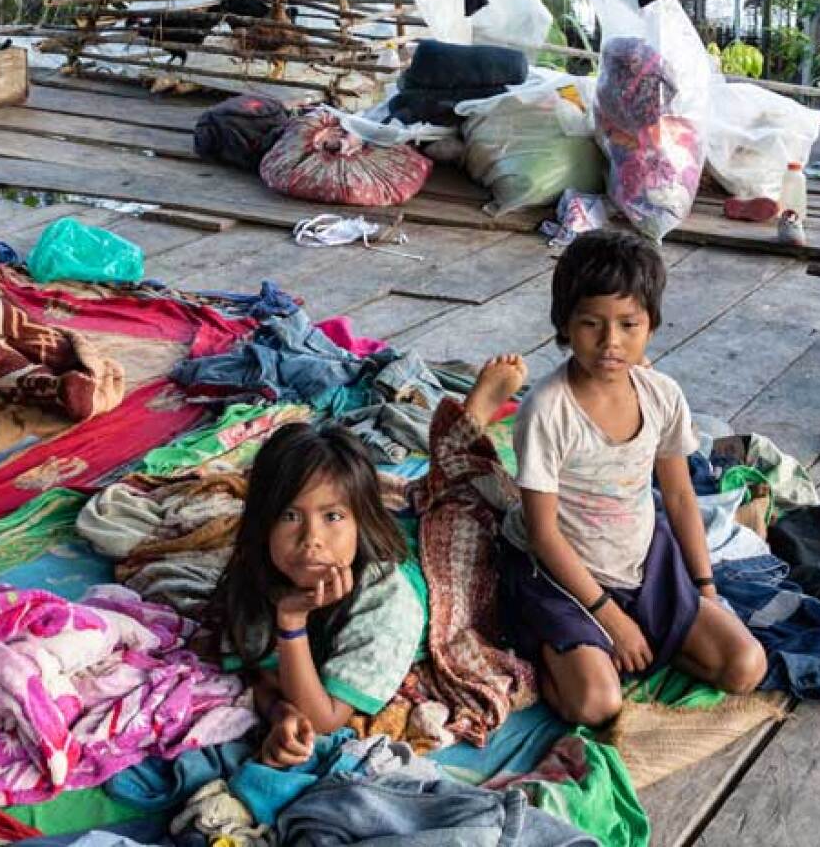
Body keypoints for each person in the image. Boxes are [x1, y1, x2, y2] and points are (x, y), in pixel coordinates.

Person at [491, 231, 766, 726]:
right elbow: (543, 533)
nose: (610, 342)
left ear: (652, 326)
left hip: (641, 557)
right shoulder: (547, 410)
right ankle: (556, 652)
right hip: (558, 573)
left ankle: (633, 640)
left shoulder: (661, 395)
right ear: (565, 326)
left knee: (745, 666)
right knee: (598, 705)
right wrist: (610, 617)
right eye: (591, 323)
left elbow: (680, 497)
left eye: (628, 324)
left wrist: (704, 589)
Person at [209, 423, 425, 766]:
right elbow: (258, 671)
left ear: (359, 523)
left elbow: (324, 719)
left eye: (333, 516)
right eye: (290, 515)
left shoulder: (389, 600)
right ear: (264, 524)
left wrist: (292, 623)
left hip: (422, 566)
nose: (312, 538)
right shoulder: (259, 565)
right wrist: (280, 713)